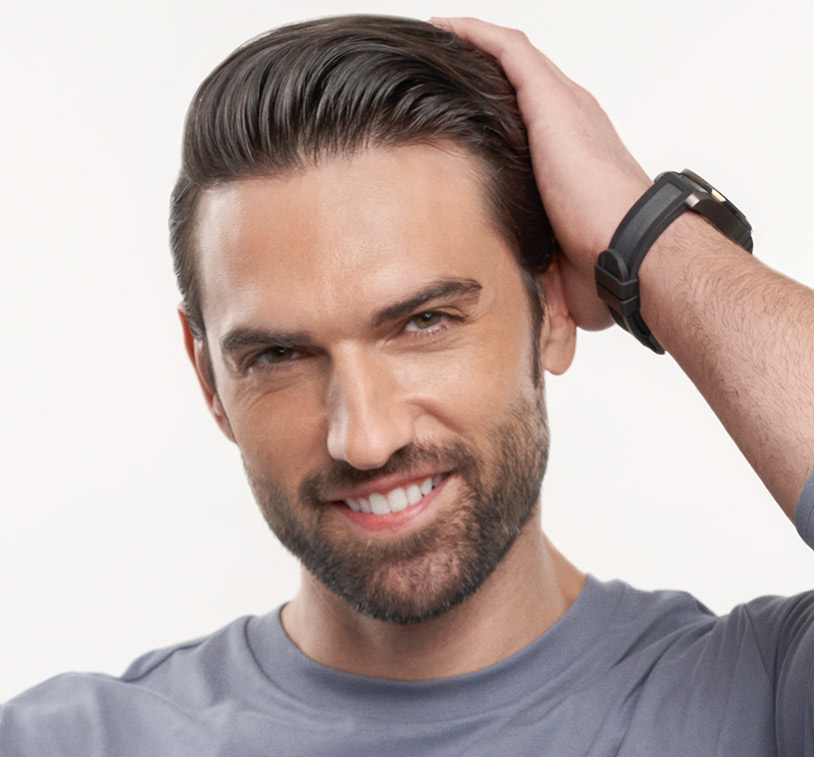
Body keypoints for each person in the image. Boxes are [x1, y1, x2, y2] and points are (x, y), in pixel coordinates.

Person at [2, 13, 813, 755]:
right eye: (279, 354)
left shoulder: (761, 704)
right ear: (209, 378)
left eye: (423, 322)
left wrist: (640, 231)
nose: (366, 436)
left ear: (553, 311)